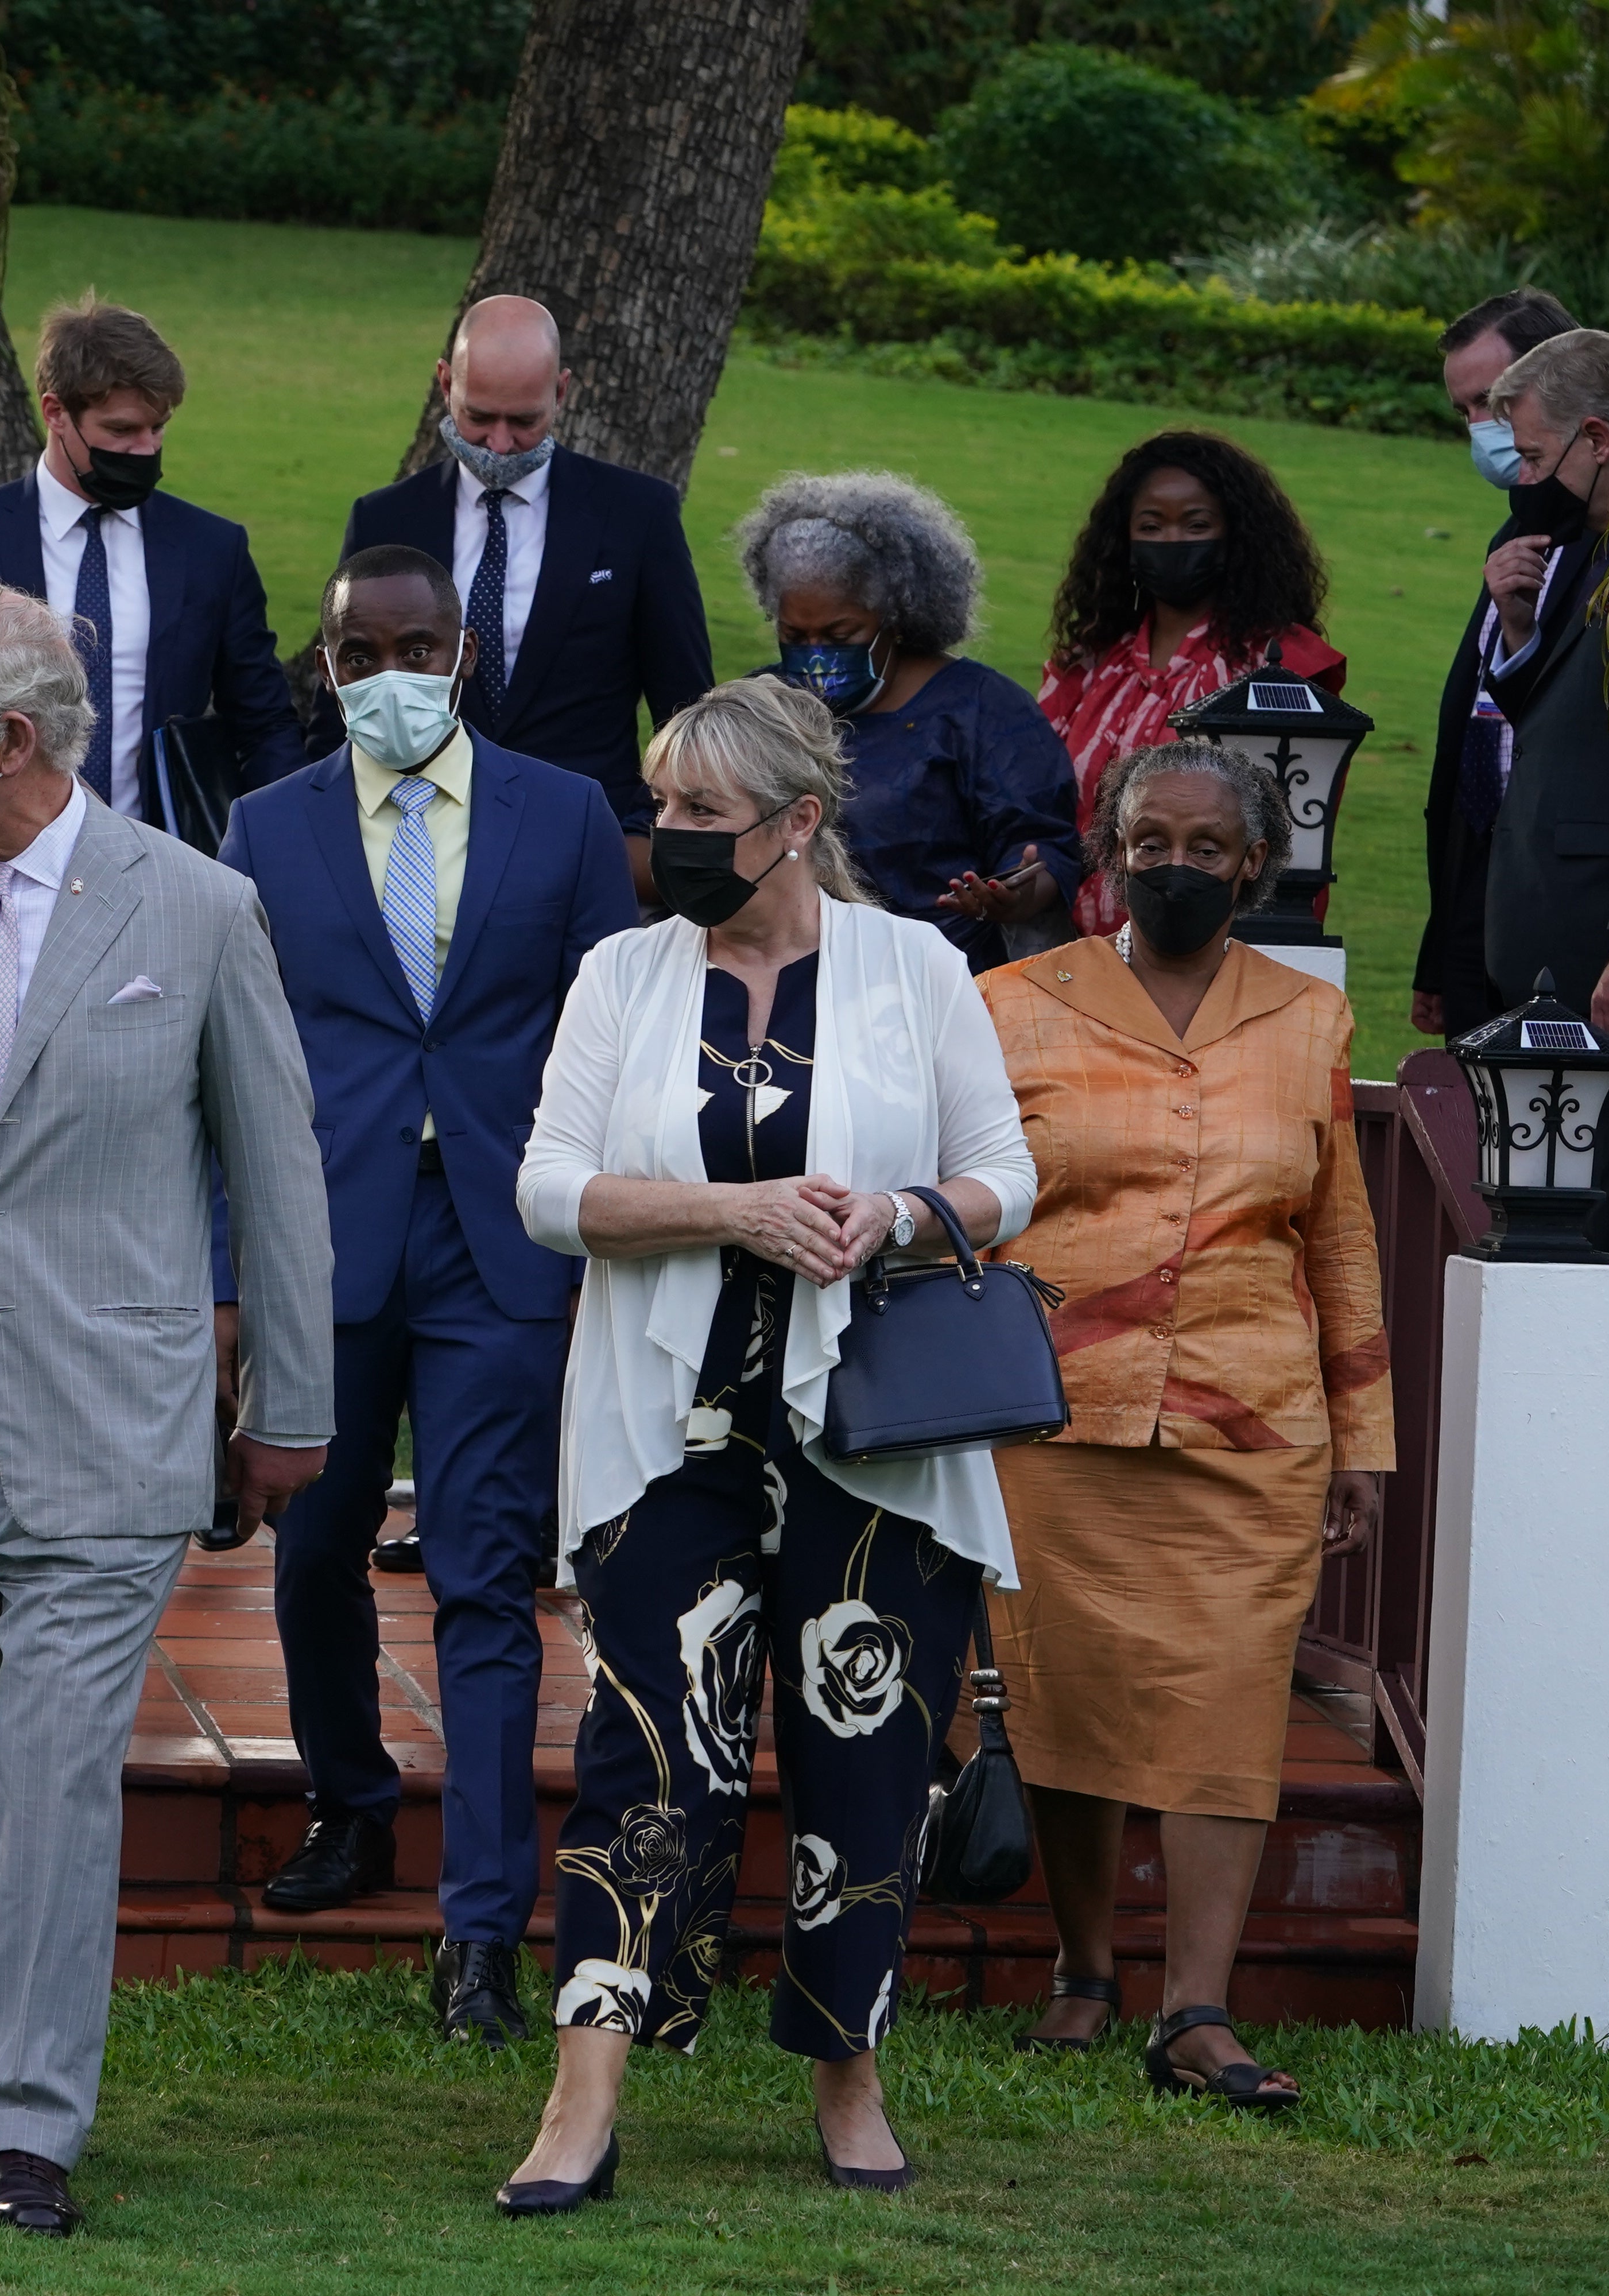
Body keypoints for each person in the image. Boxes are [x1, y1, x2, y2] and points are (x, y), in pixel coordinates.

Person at [0, 579, 331, 2236]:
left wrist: (293, 1406)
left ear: (15, 738)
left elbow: (281, 1171)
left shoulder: (192, 908)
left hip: (110, 1422)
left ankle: (28, 2122)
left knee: (50, 1768)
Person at [505, 676, 1036, 2211]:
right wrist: (729, 1211)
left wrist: (903, 1216)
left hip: (870, 1439)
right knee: (643, 1756)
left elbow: (1008, 1175)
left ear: (799, 825)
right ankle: (581, 2095)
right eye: (660, 806)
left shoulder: (916, 968)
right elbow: (551, 1189)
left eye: (700, 816)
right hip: (671, 1431)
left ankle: (849, 2077)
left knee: (863, 1764)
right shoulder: (623, 975)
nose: (665, 836)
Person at [215, 544, 637, 2041]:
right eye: (359, 654)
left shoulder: (567, 813)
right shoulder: (264, 828)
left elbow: (612, 1036)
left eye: (418, 646)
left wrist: (596, 1249)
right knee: (313, 1548)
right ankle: (346, 1802)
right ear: (326, 669)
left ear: (462, 652)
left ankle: (480, 1935)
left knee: (480, 1573)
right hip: (321, 1244)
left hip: (499, 1242)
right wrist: (227, 1281)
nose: (391, 673)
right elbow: (231, 1063)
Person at [979, 738, 1392, 2106]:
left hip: (1250, 1430)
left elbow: (1338, 1241)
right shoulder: (1008, 1003)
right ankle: (1085, 1971)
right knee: (1070, 1695)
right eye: (1151, 838)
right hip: (1054, 1416)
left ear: (1255, 867)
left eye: (1207, 847)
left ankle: (1196, 2008)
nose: (1175, 864)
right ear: (1111, 848)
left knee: (1224, 1710)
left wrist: (1364, 1440)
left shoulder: (1307, 1019)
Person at [330, 294, 714, 897]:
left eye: (525, 421)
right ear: (443, 382)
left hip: (590, 843)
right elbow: (350, 699)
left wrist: (653, 840)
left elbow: (686, 706)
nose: (500, 444)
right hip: (420, 847)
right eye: (479, 417)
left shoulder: (636, 515)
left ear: (562, 392)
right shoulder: (386, 520)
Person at [0, 294, 305, 848]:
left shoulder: (212, 549)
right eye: (122, 431)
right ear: (56, 412)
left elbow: (264, 724)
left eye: (158, 429)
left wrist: (272, 849)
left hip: (162, 859)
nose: (146, 450)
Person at [1480, 327, 1609, 1294]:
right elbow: (1581, 718)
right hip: (1572, 936)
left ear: (1596, 438)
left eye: (1533, 455)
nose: (1523, 480)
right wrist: (1518, 630)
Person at [731, 471, 1081, 971]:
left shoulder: (982, 710)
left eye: (840, 635)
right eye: (794, 635)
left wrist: (1012, 895)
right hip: (785, 972)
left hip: (939, 978)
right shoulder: (761, 706)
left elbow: (1040, 850)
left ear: (894, 617)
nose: (815, 655)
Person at [1037, 431, 1345, 943]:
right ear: (1124, 540)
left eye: (1196, 524)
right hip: (1076, 957)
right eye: (1152, 525)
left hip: (1208, 954)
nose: (1173, 540)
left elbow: (1290, 842)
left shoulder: (1281, 669)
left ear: (1236, 536)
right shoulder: (1086, 666)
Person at [1416, 289, 1580, 1041]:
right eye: (1465, 413)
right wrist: (1438, 953)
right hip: (1478, 927)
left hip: (1577, 937)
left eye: (1494, 401)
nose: (1481, 430)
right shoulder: (1509, 539)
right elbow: (1468, 758)